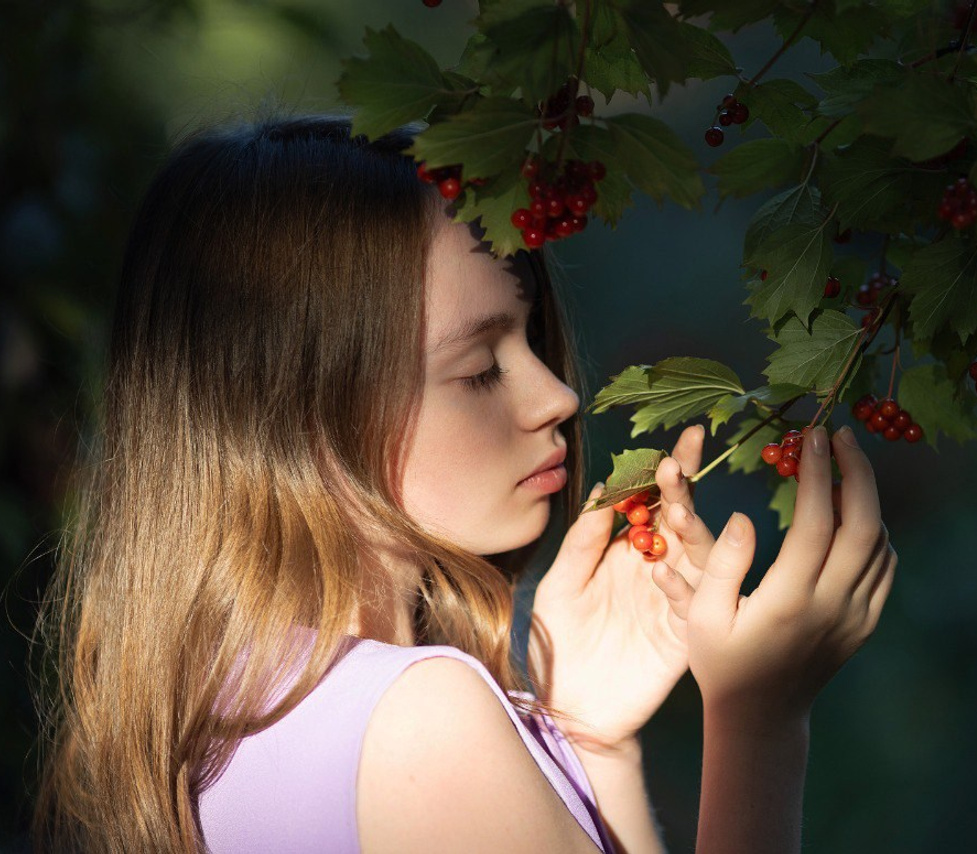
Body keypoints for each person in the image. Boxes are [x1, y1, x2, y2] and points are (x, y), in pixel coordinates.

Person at [32, 115, 897, 853]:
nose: (558, 396)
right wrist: (759, 720)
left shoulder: (226, 717)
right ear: (299, 415)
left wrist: (595, 744)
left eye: (531, 339)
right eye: (480, 367)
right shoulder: (420, 719)